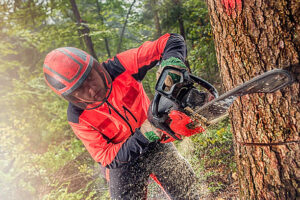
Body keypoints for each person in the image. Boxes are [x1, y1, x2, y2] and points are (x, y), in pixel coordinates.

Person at [43, 33, 200, 199]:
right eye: (80, 89)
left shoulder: (120, 67)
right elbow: (106, 156)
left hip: (156, 139)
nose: (91, 89)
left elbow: (170, 41)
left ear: (96, 68)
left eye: (90, 78)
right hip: (123, 161)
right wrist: (143, 134)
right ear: (72, 96)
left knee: (187, 189)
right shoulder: (77, 116)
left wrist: (172, 63)